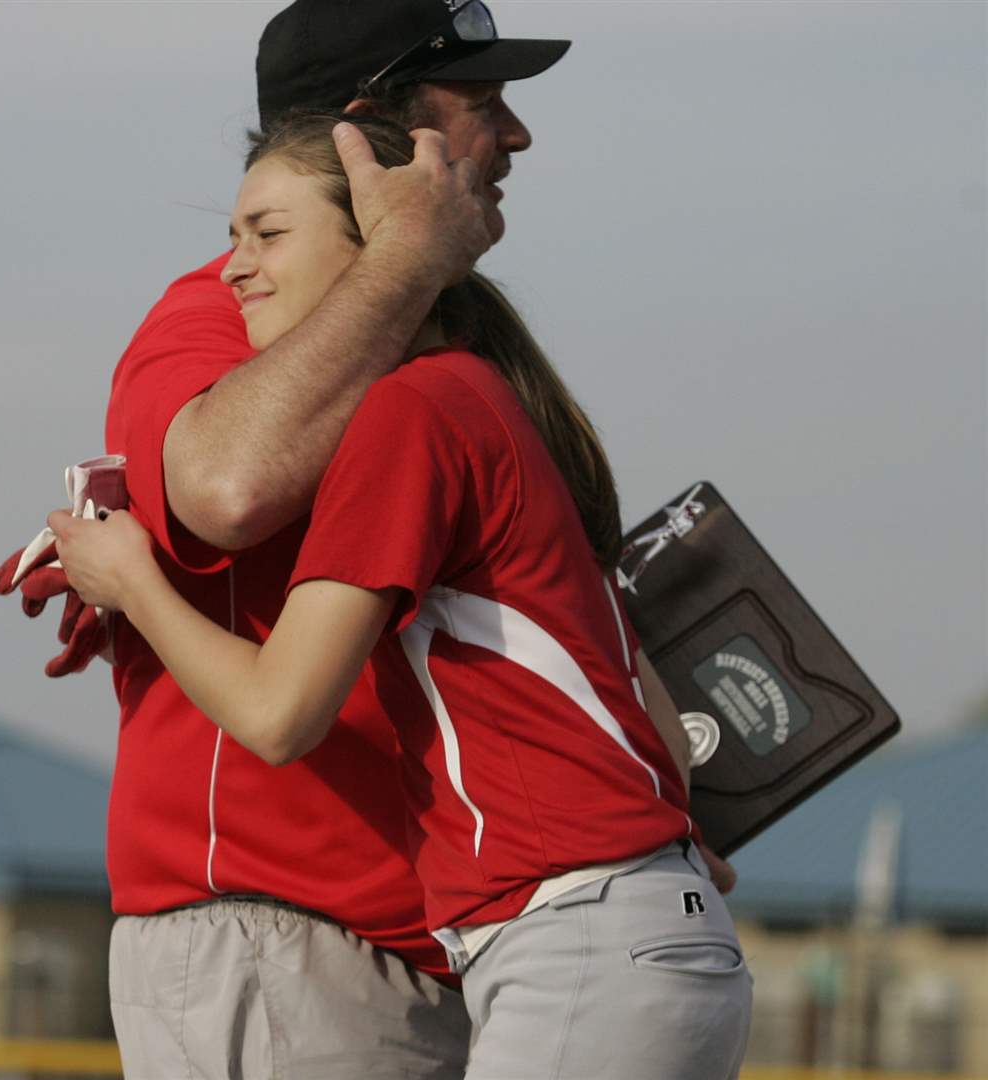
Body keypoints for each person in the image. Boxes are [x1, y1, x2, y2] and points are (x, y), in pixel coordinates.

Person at [51, 111, 753, 1080]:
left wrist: (130, 576)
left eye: (269, 232)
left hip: (580, 940)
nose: (233, 267)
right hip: (631, 933)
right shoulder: (483, 395)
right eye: (231, 237)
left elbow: (278, 712)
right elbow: (663, 740)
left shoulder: (410, 412)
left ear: (380, 243)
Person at [0, 2, 597, 1076]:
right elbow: (228, 488)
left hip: (444, 934)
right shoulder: (215, 308)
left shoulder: (445, 345)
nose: (514, 135)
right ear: (375, 133)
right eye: (481, 101)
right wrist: (408, 254)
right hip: (275, 930)